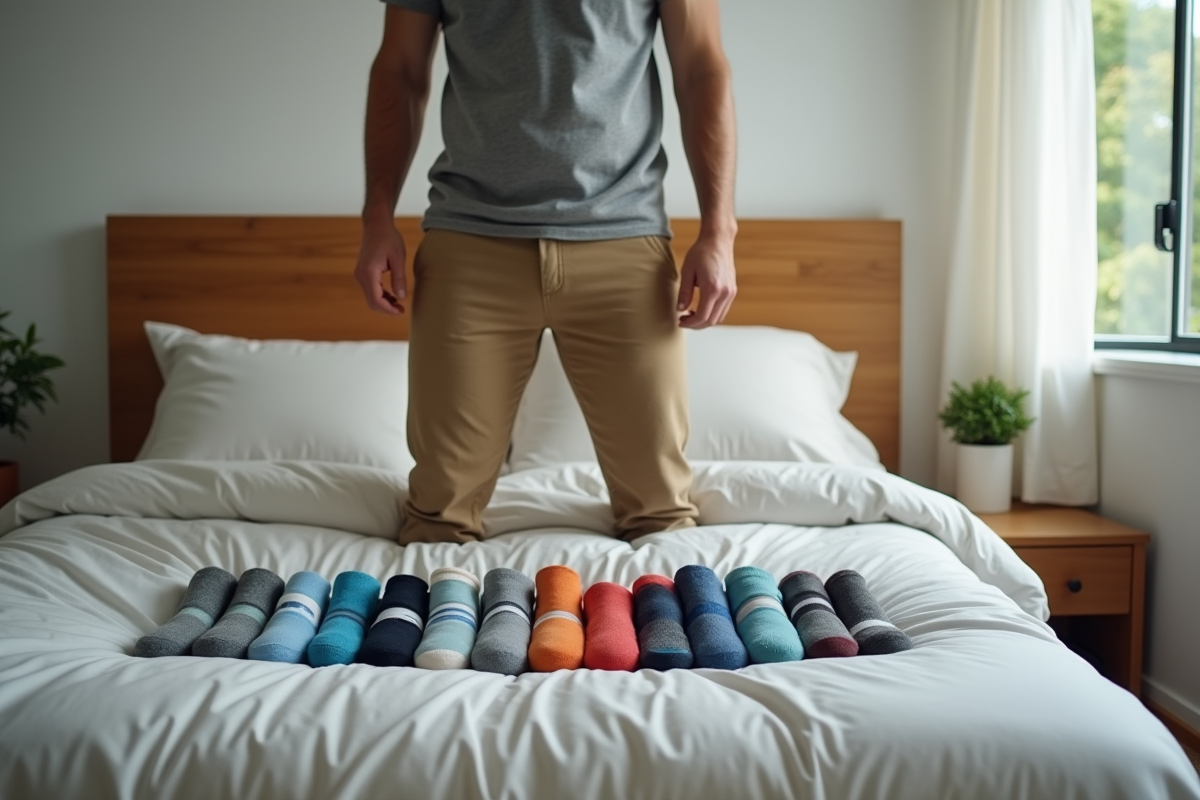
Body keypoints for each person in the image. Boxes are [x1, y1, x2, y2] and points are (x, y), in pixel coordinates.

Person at [354, 0, 738, 545]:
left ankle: (662, 604)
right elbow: (399, 69)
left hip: (623, 244)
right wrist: (377, 218)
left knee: (661, 510)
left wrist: (719, 230)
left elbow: (701, 67)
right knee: (438, 515)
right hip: (470, 244)